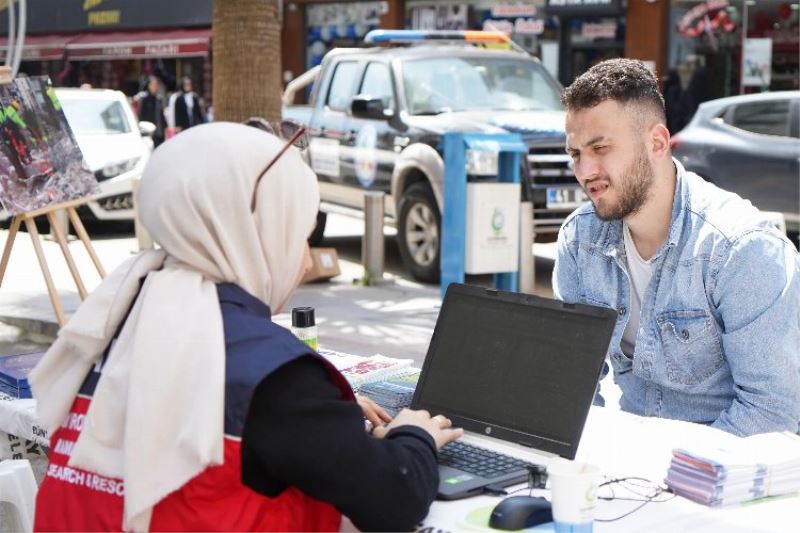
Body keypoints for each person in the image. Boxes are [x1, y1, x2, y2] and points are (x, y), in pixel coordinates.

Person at [30, 122, 462, 531]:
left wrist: (326, 413)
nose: (307, 261)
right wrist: (415, 435)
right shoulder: (272, 374)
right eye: (298, 235)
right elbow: (394, 497)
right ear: (252, 231)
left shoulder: (118, 314)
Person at [554, 58, 800, 437]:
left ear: (657, 142)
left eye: (600, 148)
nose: (585, 171)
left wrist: (668, 474)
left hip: (721, 475)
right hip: (626, 466)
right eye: (575, 154)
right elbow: (576, 387)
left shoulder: (740, 248)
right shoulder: (579, 240)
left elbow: (771, 412)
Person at [134, 76, 168, 147]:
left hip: (159, 132)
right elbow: (141, 116)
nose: (154, 87)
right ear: (148, 85)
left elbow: (161, 115)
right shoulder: (144, 99)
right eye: (152, 85)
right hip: (149, 132)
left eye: (156, 85)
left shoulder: (159, 98)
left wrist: (165, 127)